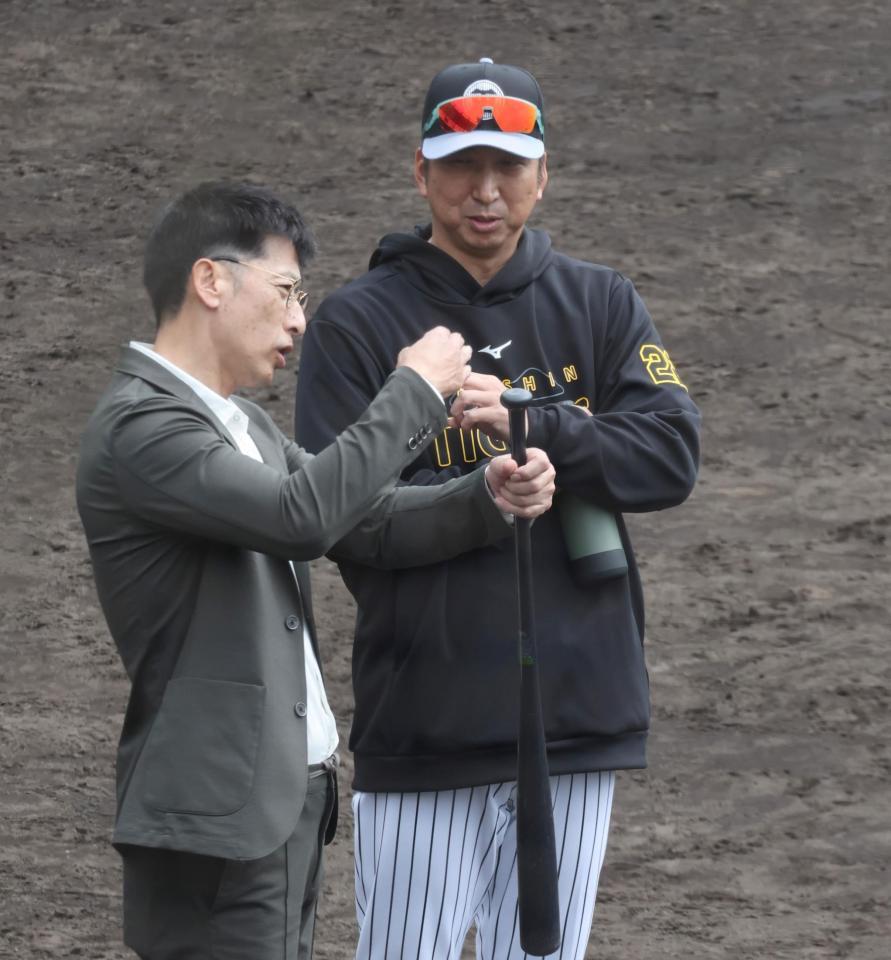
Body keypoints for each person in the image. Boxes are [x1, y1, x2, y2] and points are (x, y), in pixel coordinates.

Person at [75, 180, 556, 960]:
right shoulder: (143, 425)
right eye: (289, 290)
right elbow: (303, 516)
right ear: (210, 281)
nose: (301, 317)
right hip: (217, 820)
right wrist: (411, 391)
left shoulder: (238, 425)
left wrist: (486, 495)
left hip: (272, 806)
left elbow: (359, 516)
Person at [294, 59, 702, 959]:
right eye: (460, 165)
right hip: (428, 713)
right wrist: (481, 490)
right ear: (420, 171)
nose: (485, 191)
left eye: (508, 167)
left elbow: (672, 455)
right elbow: (337, 516)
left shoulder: (600, 302)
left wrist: (534, 423)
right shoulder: (358, 323)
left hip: (579, 709)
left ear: (542, 174)